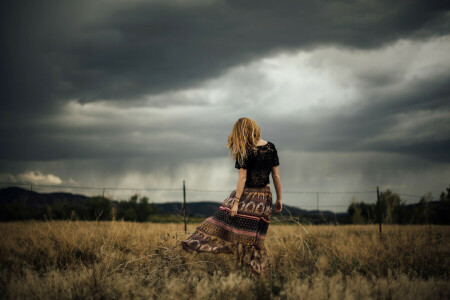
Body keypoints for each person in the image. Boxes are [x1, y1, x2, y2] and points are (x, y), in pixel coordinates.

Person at [181, 117, 282, 276]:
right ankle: (261, 276)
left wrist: (235, 203)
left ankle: (198, 242)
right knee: (257, 240)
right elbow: (276, 176)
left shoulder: (244, 149)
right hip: (265, 199)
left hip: (247, 197)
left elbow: (242, 178)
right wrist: (279, 199)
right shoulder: (271, 147)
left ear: (240, 132)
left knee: (220, 219)